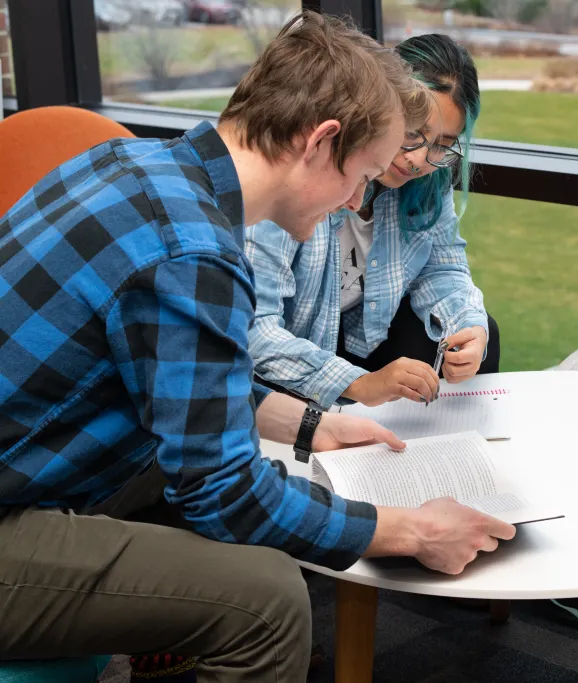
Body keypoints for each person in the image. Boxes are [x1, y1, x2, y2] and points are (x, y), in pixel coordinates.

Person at [0, 12, 514, 681]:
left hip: (23, 458)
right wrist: (411, 530)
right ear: (322, 142)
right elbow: (224, 492)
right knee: (269, 599)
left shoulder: (126, 162)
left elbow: (176, 378)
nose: (358, 198)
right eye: (360, 174)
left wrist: (310, 422)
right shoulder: (193, 252)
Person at [246, 33, 497, 410]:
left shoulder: (429, 181)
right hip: (285, 356)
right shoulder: (292, 179)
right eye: (412, 134)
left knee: (479, 330)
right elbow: (254, 330)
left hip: (361, 336)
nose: (418, 160)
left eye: (442, 145)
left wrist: (469, 326)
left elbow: (442, 267)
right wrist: (360, 383)